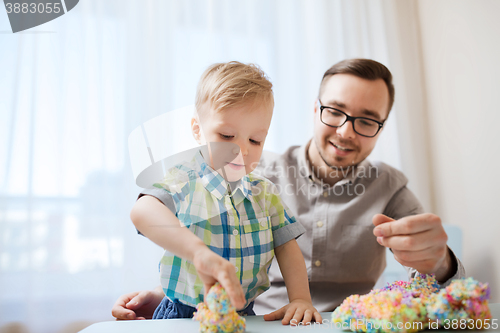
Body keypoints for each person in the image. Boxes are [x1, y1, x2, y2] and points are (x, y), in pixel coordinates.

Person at [112, 58, 465, 321]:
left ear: (381, 127)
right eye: (335, 111)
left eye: (367, 120)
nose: (345, 131)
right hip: (258, 320)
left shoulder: (390, 187)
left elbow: (440, 282)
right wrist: (168, 295)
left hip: (341, 324)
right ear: (315, 109)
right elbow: (166, 218)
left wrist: (441, 261)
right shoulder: (244, 172)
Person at [128, 61, 321, 324]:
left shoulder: (265, 193)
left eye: (255, 140)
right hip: (183, 315)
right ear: (197, 129)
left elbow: (287, 248)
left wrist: (300, 299)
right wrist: (198, 253)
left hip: (243, 314)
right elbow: (142, 210)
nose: (241, 150)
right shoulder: (184, 179)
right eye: (227, 135)